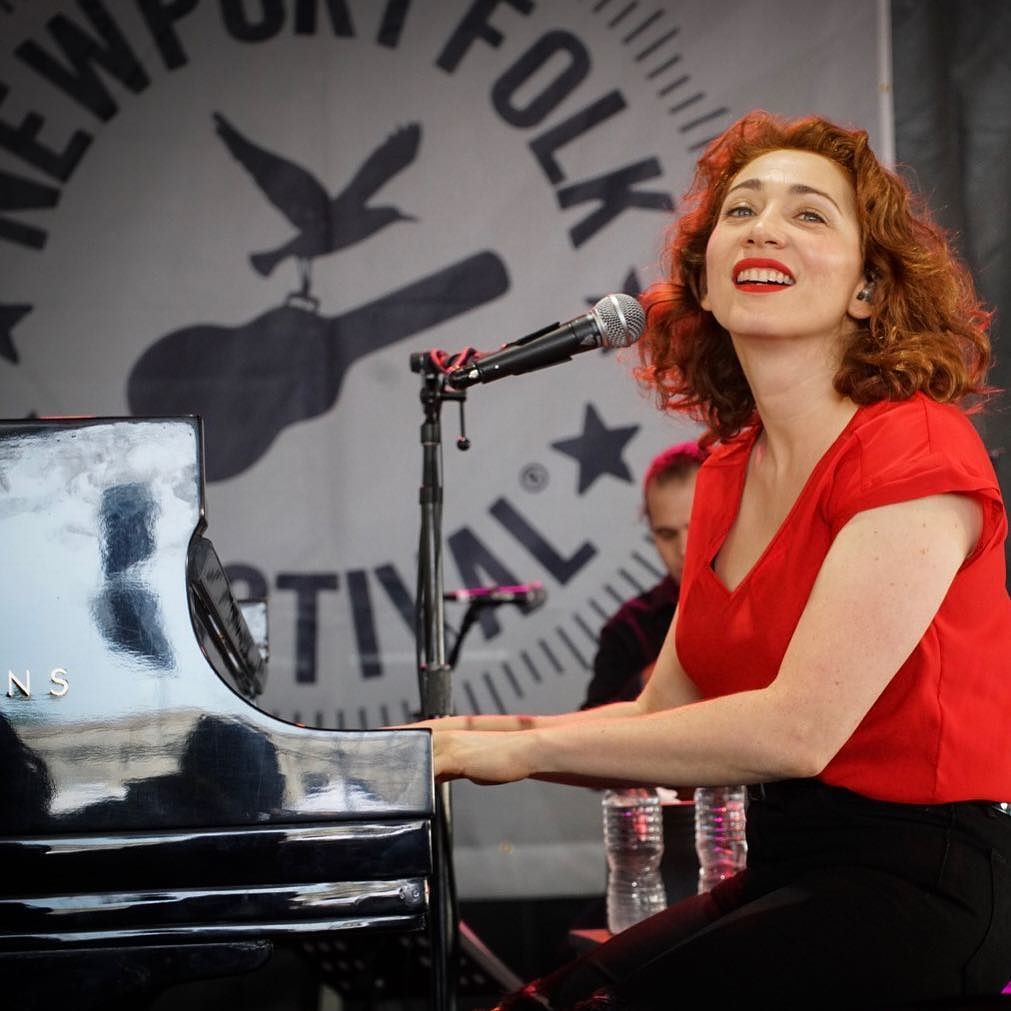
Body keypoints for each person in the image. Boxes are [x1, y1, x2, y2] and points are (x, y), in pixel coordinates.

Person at [412, 110, 1011, 1006]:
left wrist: (516, 756)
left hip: (922, 880)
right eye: (741, 209)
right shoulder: (726, 470)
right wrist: (457, 741)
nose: (763, 226)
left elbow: (796, 731)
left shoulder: (914, 448)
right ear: (705, 274)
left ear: (866, 291)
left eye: (809, 214)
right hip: (790, 862)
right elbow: (659, 715)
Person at [582, 441, 707, 710]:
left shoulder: (776, 596)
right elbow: (587, 732)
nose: (684, 549)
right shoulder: (628, 628)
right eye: (666, 534)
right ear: (650, 531)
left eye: (696, 524)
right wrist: (655, 680)